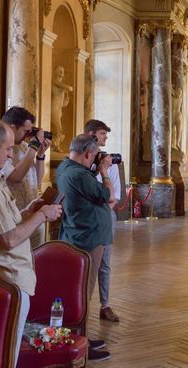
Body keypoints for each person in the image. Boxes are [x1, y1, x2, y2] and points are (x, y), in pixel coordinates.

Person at [0, 120, 62, 367]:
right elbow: (7, 240)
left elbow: (0, 225)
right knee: (3, 356)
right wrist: (42, 216)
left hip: (4, 277)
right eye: (9, 149)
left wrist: (27, 212)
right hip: (4, 280)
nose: (12, 154)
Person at [56, 133, 115, 361]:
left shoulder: (65, 168)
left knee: (80, 290)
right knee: (84, 292)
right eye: (94, 155)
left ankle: (83, 336)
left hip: (80, 234)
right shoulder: (80, 174)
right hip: (88, 238)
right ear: (89, 153)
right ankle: (80, 341)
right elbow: (106, 194)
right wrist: (104, 172)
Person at [84, 119, 121, 323]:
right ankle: (81, 306)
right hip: (85, 218)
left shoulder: (109, 162)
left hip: (105, 216)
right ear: (91, 135)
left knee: (105, 263)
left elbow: (114, 195)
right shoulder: (80, 160)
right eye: (102, 134)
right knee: (83, 263)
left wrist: (102, 212)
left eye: (106, 135)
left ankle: (105, 305)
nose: (105, 137)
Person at [1, 106, 52, 248]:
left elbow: (37, 179)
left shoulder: (25, 147)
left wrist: (40, 154)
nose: (27, 135)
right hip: (14, 216)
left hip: (32, 212)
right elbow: (15, 177)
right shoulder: (1, 149)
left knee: (36, 262)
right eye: (25, 131)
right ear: (12, 127)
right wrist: (33, 147)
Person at [51, 65, 73, 150]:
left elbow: (63, 104)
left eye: (63, 71)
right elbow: (68, 87)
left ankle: (56, 146)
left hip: (59, 109)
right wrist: (69, 88)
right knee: (59, 129)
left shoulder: (61, 85)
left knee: (57, 130)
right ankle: (55, 146)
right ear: (55, 72)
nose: (62, 72)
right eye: (60, 71)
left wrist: (65, 102)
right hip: (54, 108)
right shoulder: (54, 81)